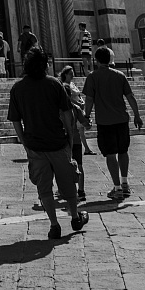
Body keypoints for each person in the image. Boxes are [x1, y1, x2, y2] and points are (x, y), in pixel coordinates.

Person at [8, 47, 89, 239]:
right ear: (45, 65)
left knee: (44, 188)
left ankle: (54, 225)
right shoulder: (54, 84)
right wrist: (69, 137)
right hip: (57, 143)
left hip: (35, 146)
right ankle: (75, 217)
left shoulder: (18, 88)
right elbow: (67, 114)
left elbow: (15, 120)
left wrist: (24, 141)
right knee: (68, 182)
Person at [83, 45, 143, 201]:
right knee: (123, 151)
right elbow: (130, 97)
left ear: (96, 60)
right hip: (122, 119)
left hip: (105, 122)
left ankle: (117, 188)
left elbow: (89, 99)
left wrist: (86, 116)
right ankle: (125, 184)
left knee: (110, 154)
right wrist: (137, 115)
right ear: (110, 59)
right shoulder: (120, 75)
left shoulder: (92, 77)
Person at [60, 66, 88, 200]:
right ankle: (81, 191)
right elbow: (86, 124)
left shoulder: (57, 109)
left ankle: (68, 191)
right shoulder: (75, 108)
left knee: (64, 167)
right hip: (75, 139)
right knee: (79, 165)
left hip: (63, 141)